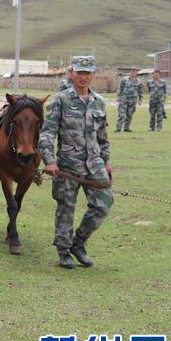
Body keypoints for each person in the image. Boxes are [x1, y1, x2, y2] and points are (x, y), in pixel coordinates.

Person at [39, 55, 113, 269]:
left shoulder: (98, 101)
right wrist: (50, 160)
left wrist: (106, 161)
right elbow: (46, 134)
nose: (83, 77)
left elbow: (103, 136)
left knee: (103, 203)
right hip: (67, 165)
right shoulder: (60, 100)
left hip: (95, 163)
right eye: (79, 72)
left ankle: (78, 243)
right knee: (66, 208)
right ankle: (63, 250)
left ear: (93, 74)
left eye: (87, 72)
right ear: (71, 73)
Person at [115, 68, 142, 132]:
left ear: (137, 73)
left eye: (135, 71)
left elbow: (140, 91)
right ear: (130, 72)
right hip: (124, 100)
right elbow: (120, 88)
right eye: (132, 71)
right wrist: (118, 97)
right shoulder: (124, 80)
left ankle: (126, 128)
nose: (133, 73)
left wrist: (140, 100)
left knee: (130, 114)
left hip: (133, 101)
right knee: (122, 114)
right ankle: (118, 128)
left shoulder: (139, 82)